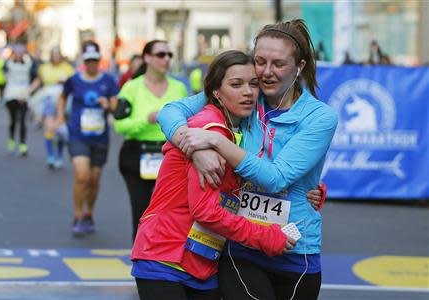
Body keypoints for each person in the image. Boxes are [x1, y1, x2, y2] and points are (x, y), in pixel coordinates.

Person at [157, 19, 337, 299]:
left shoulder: (321, 117)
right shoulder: (243, 97)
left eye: (278, 64)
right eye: (260, 61)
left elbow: (277, 178)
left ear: (300, 66)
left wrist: (216, 141)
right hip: (243, 248)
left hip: (296, 249)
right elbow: (170, 111)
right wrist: (195, 146)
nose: (266, 72)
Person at [131, 50, 295, 300]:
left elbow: (258, 175)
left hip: (203, 261)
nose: (248, 92)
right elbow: (206, 212)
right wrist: (265, 236)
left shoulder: (242, 129)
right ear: (216, 92)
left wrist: (308, 191)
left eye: (253, 84)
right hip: (166, 255)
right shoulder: (210, 128)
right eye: (236, 84)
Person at [113, 40, 188, 241]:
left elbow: (190, 121)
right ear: (147, 58)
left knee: (171, 212)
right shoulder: (131, 88)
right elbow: (119, 124)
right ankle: (141, 258)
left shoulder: (179, 88)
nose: (166, 59)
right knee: (141, 210)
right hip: (137, 153)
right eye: (160, 54)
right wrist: (146, 119)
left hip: (172, 155)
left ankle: (165, 260)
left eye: (169, 55)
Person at [57, 41, 118, 236]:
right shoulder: (74, 80)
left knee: (94, 179)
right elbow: (63, 96)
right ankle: (77, 214)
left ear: (99, 61)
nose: (91, 64)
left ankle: (89, 213)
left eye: (94, 60)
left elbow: (115, 107)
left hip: (100, 136)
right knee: (82, 176)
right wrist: (60, 116)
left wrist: (107, 104)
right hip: (78, 134)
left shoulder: (108, 81)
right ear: (84, 62)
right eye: (88, 61)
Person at [30, 47, 74, 169]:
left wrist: (64, 82)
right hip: (48, 98)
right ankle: (51, 156)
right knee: (49, 127)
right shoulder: (44, 68)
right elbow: (38, 81)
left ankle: (59, 156)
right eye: (53, 54)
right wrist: (28, 91)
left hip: (63, 100)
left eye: (57, 54)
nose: (55, 57)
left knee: (60, 129)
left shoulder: (67, 68)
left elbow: (73, 84)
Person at [3, 44, 37, 156]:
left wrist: (29, 91)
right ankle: (11, 139)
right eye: (17, 52)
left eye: (21, 52)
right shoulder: (8, 64)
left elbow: (35, 78)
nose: (19, 54)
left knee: (22, 120)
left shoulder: (29, 64)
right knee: (13, 120)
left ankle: (23, 144)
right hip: (11, 95)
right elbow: (4, 76)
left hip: (24, 96)